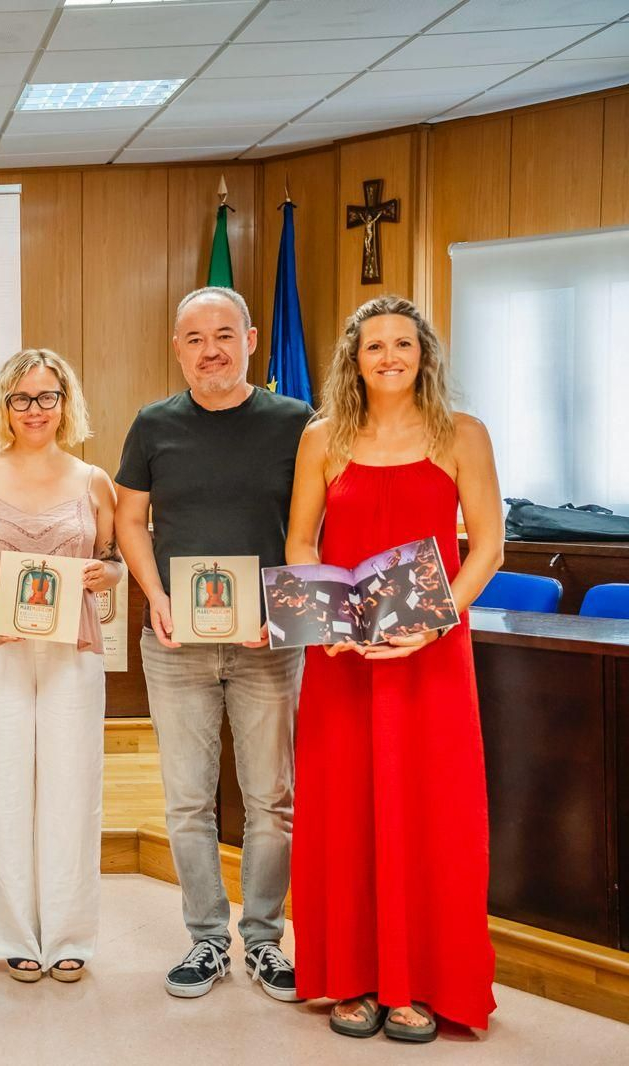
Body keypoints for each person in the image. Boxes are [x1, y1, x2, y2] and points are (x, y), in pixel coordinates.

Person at [286, 296, 502, 1042]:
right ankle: (354, 978)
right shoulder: (322, 438)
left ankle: (423, 983)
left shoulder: (461, 435)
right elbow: (300, 544)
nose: (389, 357)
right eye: (373, 346)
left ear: (424, 354)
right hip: (344, 656)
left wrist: (434, 622)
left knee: (433, 810)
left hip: (431, 656)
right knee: (344, 809)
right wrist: (328, 622)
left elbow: (488, 549)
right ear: (354, 357)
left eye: (402, 344)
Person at [114, 286, 310, 1002]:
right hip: (175, 643)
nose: (211, 351)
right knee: (188, 803)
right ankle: (205, 940)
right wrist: (156, 596)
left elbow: (312, 530)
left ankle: (264, 940)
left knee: (271, 799)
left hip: (269, 642)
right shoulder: (152, 424)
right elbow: (130, 521)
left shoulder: (297, 423)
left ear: (252, 339)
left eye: (224, 334)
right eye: (195, 339)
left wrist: (283, 610)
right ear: (177, 349)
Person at [0, 349, 121, 983]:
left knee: (73, 789)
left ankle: (70, 936)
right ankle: (13, 933)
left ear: (66, 402)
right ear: (4, 407)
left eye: (47, 397)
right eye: (22, 399)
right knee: (3, 788)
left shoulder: (95, 481)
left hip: (74, 649)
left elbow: (112, 564)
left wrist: (108, 574)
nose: (36, 410)